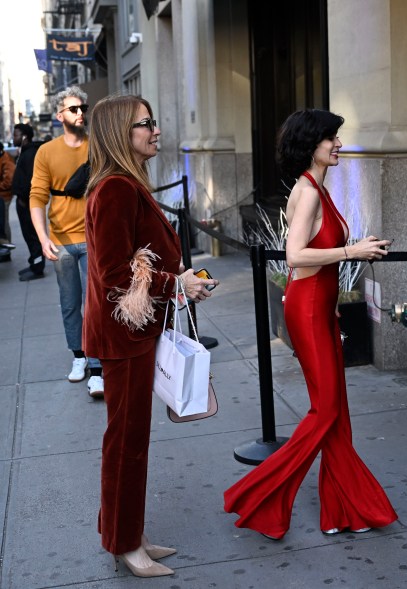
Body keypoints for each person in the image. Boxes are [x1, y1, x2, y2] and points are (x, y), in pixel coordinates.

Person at [224, 109, 397, 540]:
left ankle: (344, 509)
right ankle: (256, 493)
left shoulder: (320, 187)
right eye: (331, 138)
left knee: (336, 414)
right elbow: (295, 257)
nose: (339, 144)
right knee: (326, 412)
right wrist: (351, 252)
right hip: (305, 311)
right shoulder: (308, 191)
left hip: (320, 308)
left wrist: (334, 300)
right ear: (311, 144)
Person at [83, 94, 218, 578]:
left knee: (130, 439)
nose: (156, 130)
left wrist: (181, 282)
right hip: (126, 339)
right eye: (146, 124)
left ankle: (128, 533)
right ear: (123, 133)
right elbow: (114, 276)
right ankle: (124, 544)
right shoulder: (115, 189)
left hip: (137, 333)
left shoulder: (123, 185)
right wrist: (175, 283)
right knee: (126, 442)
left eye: (154, 122)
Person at [30, 86, 104, 398]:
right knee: (70, 302)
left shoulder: (96, 147)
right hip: (60, 240)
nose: (80, 114)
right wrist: (42, 238)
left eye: (83, 108)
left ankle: (97, 367)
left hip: (92, 238)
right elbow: (37, 197)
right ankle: (78, 356)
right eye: (73, 109)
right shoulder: (46, 152)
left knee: (95, 304)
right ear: (60, 115)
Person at [12, 123, 46, 280]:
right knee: (28, 236)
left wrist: (25, 200)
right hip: (22, 202)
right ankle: (34, 263)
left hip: (27, 204)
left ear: (24, 136)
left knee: (33, 236)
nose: (14, 137)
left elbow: (32, 180)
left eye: (16, 134)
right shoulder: (24, 152)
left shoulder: (31, 153)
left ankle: (38, 268)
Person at [0, 141, 16, 248]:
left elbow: (8, 181)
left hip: (4, 196)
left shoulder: (6, 159)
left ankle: (6, 248)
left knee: (3, 223)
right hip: (2, 194)